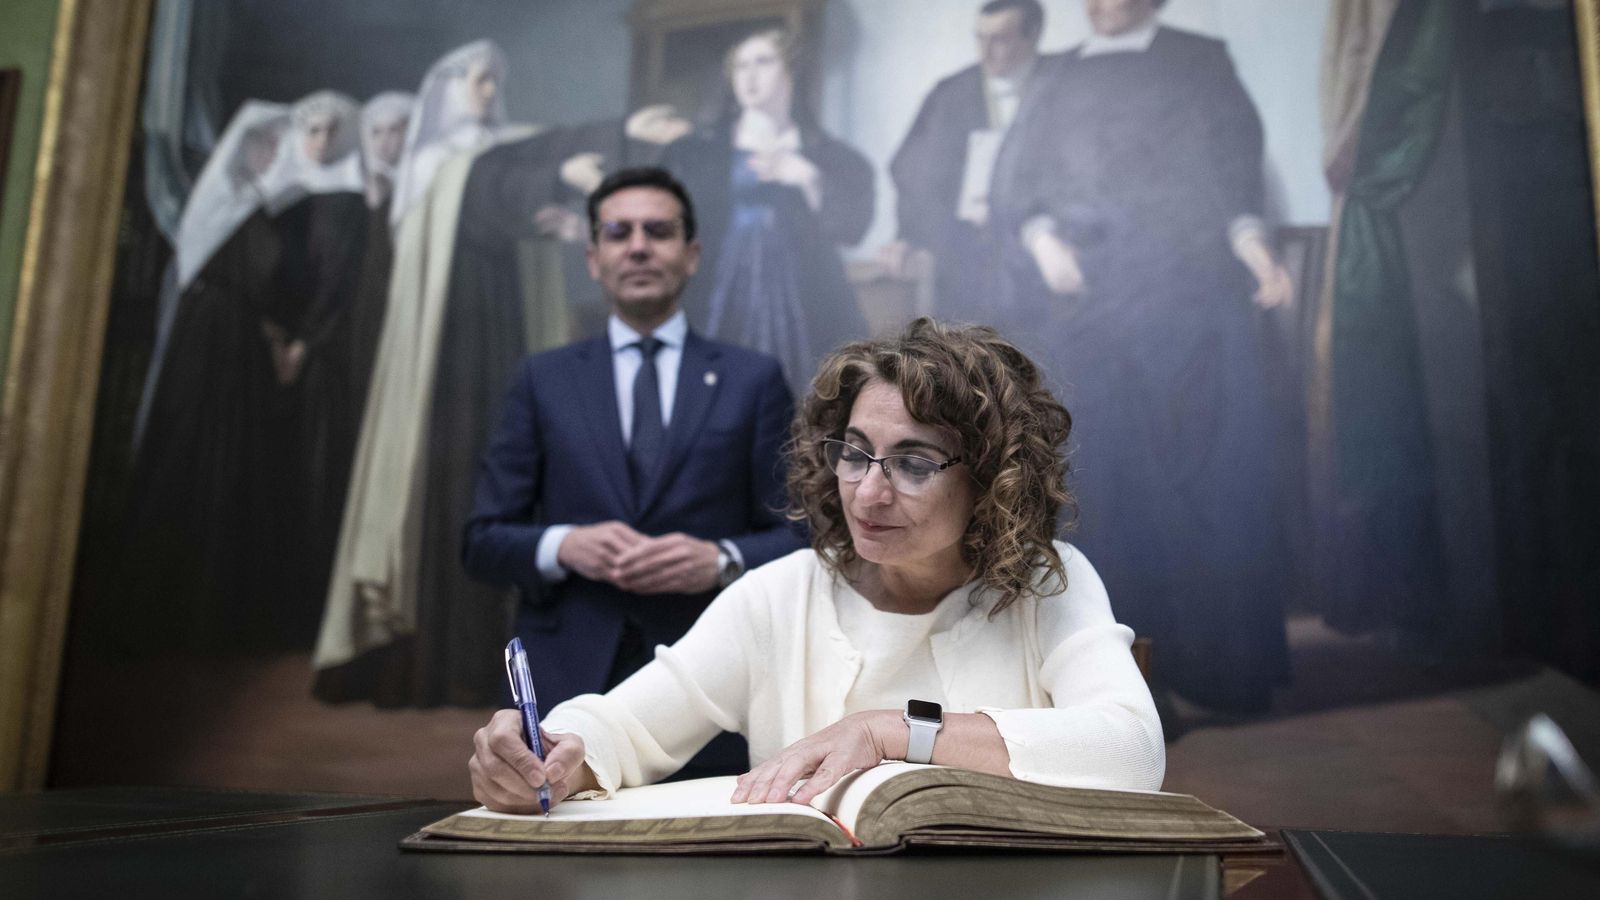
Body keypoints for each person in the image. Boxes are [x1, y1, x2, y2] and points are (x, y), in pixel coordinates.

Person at [467, 318, 1164, 812]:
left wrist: (887, 730)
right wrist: (550, 753)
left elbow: (1131, 749)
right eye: (854, 452)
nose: (867, 490)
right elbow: (628, 726)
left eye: (913, 463)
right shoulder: (782, 595)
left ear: (992, 479)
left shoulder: (1047, 582)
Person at [998, 0, 1294, 711]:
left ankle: (1219, 671)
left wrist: (1260, 258)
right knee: (1110, 488)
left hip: (1190, 302)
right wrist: (1043, 245)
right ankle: (1116, 680)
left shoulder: (1199, 60)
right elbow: (1020, 183)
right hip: (1089, 308)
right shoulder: (1057, 75)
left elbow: (1232, 178)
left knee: (1206, 480)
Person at [462, 167, 805, 777]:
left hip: (710, 680)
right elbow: (482, 540)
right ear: (593, 258)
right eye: (619, 233)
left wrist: (720, 560)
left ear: (691, 254)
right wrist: (564, 544)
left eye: (659, 231)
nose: (639, 246)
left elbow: (801, 536)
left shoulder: (752, 380)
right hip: (565, 679)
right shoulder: (544, 379)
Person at [662, 28, 874, 397]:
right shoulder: (698, 151)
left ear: (791, 71)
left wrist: (809, 179)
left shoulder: (832, 155)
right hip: (719, 286)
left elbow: (852, 228)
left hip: (806, 293)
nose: (749, 75)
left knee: (807, 390)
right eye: (741, 65)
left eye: (763, 62)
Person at [883, 0, 1063, 324]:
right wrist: (908, 233)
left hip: (1036, 263)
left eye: (1000, 39)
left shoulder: (1063, 85)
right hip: (965, 260)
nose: (985, 51)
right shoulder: (950, 94)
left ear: (1032, 36)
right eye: (980, 38)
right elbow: (912, 168)